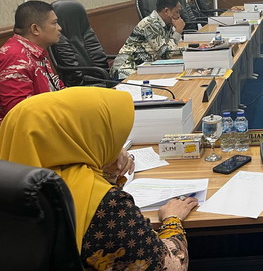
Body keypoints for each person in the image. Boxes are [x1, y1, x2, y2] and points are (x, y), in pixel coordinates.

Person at [0, 87, 198, 270]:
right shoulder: (105, 205)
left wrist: (105, 167)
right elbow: (169, 266)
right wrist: (172, 220)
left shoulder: (12, 183)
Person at [0, 0, 65, 123]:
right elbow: (20, 112)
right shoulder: (14, 57)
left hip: (48, 118)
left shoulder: (36, 50)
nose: (59, 28)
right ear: (35, 29)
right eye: (54, 23)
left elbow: (57, 88)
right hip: (28, 128)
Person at [112, 0, 186, 79]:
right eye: (177, 12)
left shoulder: (166, 23)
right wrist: (178, 31)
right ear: (166, 11)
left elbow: (171, 48)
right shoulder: (150, 24)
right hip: (126, 70)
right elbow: (166, 53)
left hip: (144, 68)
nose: (179, 16)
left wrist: (188, 50)